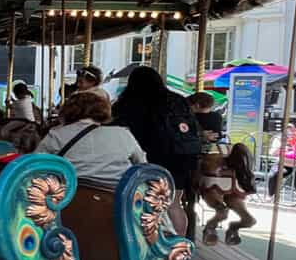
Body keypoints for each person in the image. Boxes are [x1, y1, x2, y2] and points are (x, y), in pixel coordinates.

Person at [112, 66, 202, 237]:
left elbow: (120, 129)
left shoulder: (129, 102)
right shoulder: (177, 100)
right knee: (174, 204)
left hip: (146, 157)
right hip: (179, 158)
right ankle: (177, 247)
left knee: (137, 202)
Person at [36, 91, 146, 183]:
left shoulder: (56, 135)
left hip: (68, 201)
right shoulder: (123, 134)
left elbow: (34, 166)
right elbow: (142, 165)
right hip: (115, 201)